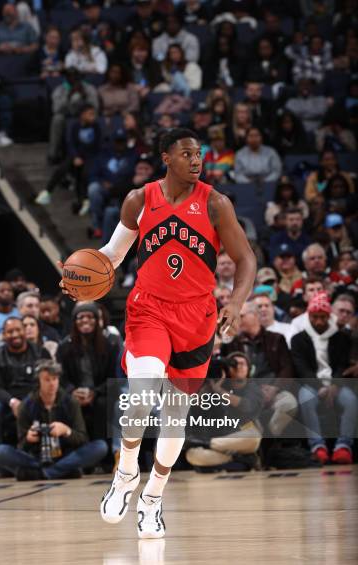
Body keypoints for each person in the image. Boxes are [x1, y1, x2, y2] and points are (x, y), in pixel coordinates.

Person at [59, 127, 256, 538]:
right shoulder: (139, 200)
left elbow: (245, 259)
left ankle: (153, 498)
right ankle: (126, 472)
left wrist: (235, 304)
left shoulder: (216, 204)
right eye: (186, 153)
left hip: (197, 318)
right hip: (148, 310)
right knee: (142, 393)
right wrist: (81, 277)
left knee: (174, 417)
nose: (196, 159)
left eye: (199, 153)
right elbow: (112, 255)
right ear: (166, 158)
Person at [0, 360, 108, 480]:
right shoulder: (26, 405)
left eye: (55, 379)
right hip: (37, 457)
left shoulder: (70, 402)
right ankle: (61, 471)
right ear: (39, 381)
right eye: (47, 380)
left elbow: (83, 439)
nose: (52, 383)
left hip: (66, 455)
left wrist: (66, 431)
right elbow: (21, 445)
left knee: (100, 446)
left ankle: (42, 473)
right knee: (0, 451)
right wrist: (28, 438)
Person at [291, 292, 357, 464]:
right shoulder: (299, 339)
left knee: (351, 401)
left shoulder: (341, 337)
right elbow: (302, 368)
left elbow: (342, 365)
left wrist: (334, 385)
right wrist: (319, 386)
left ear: (329, 316)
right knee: (305, 398)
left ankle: (343, 445)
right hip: (312, 383)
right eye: (315, 317)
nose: (319, 321)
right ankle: (317, 446)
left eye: (323, 317)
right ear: (309, 316)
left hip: (337, 383)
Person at [0, 317, 50, 476]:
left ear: (24, 331)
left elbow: (49, 379)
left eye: (18, 329)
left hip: (36, 399)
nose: (15, 334)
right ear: (3, 335)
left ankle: (46, 458)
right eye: (10, 331)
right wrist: (11, 402)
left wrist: (29, 401)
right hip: (7, 401)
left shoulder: (40, 351)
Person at [222, 301, 298, 437]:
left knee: (289, 403)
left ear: (255, 315)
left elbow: (287, 368)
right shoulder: (233, 343)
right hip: (246, 394)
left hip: (272, 389)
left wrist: (275, 388)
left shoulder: (276, 339)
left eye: (242, 315)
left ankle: (271, 435)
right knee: (248, 420)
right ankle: (259, 441)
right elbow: (230, 375)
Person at [186, 351, 263, 471]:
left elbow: (247, 406)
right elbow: (195, 406)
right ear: (227, 369)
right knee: (192, 455)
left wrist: (219, 391)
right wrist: (206, 388)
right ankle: (240, 460)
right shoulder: (214, 385)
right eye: (234, 364)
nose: (238, 367)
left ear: (249, 369)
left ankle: (212, 454)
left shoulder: (252, 387)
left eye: (242, 364)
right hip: (220, 441)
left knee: (254, 437)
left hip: (238, 438)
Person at [56, 302, 118, 446]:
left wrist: (94, 393)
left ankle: (103, 454)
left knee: (103, 404)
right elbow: (61, 377)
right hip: (74, 393)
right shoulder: (64, 347)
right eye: (80, 317)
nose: (85, 320)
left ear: (97, 321)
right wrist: (73, 391)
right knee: (68, 403)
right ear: (74, 322)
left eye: (90, 317)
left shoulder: (110, 345)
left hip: (101, 393)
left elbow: (113, 378)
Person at [35, 104, 100, 212]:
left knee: (83, 174)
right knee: (63, 167)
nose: (93, 117)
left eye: (94, 114)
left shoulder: (96, 127)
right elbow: (71, 143)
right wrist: (76, 157)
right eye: (90, 114)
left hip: (89, 157)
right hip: (76, 156)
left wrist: (82, 157)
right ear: (82, 115)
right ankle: (47, 192)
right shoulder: (75, 126)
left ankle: (84, 201)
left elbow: (95, 145)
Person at [48, 67, 99, 164]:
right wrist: (68, 96)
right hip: (66, 116)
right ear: (66, 78)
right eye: (70, 76)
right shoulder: (60, 89)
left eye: (75, 76)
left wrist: (85, 98)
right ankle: (53, 154)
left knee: (92, 116)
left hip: (85, 117)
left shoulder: (89, 88)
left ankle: (92, 154)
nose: (73, 78)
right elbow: (56, 109)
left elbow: (96, 107)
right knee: (57, 119)